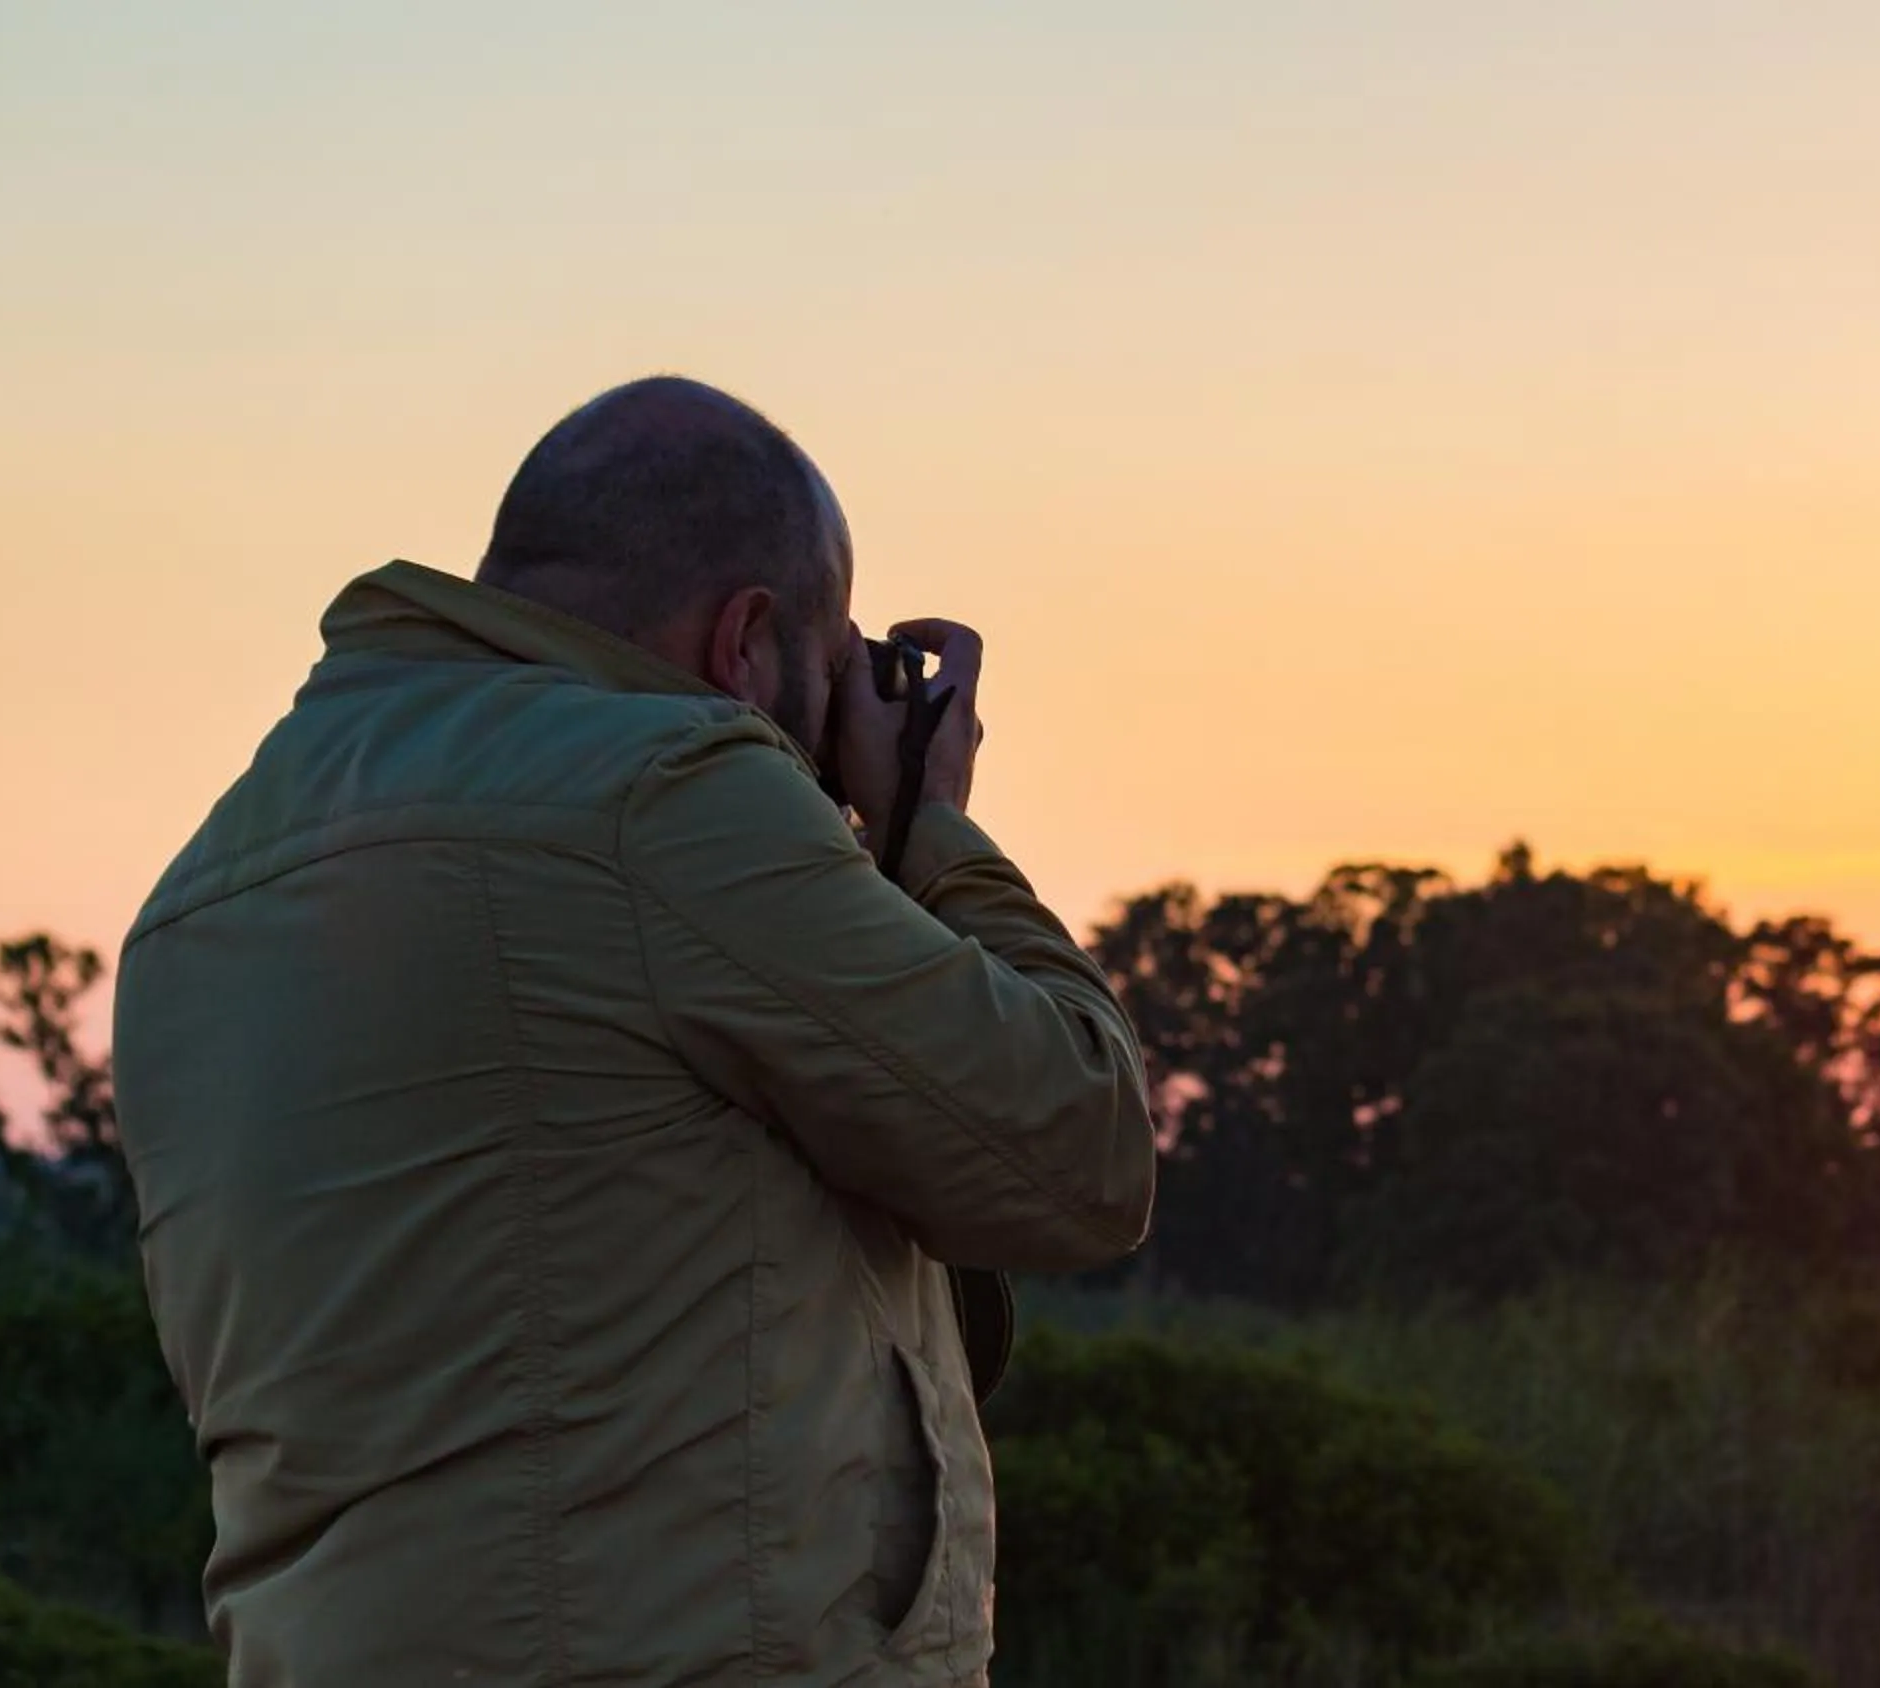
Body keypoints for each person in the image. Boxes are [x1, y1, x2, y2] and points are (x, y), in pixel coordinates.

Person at [112, 376, 1157, 1687]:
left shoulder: (204, 891)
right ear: (745, 642)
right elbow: (1079, 1156)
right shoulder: (668, 797)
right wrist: (931, 832)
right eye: (828, 689)